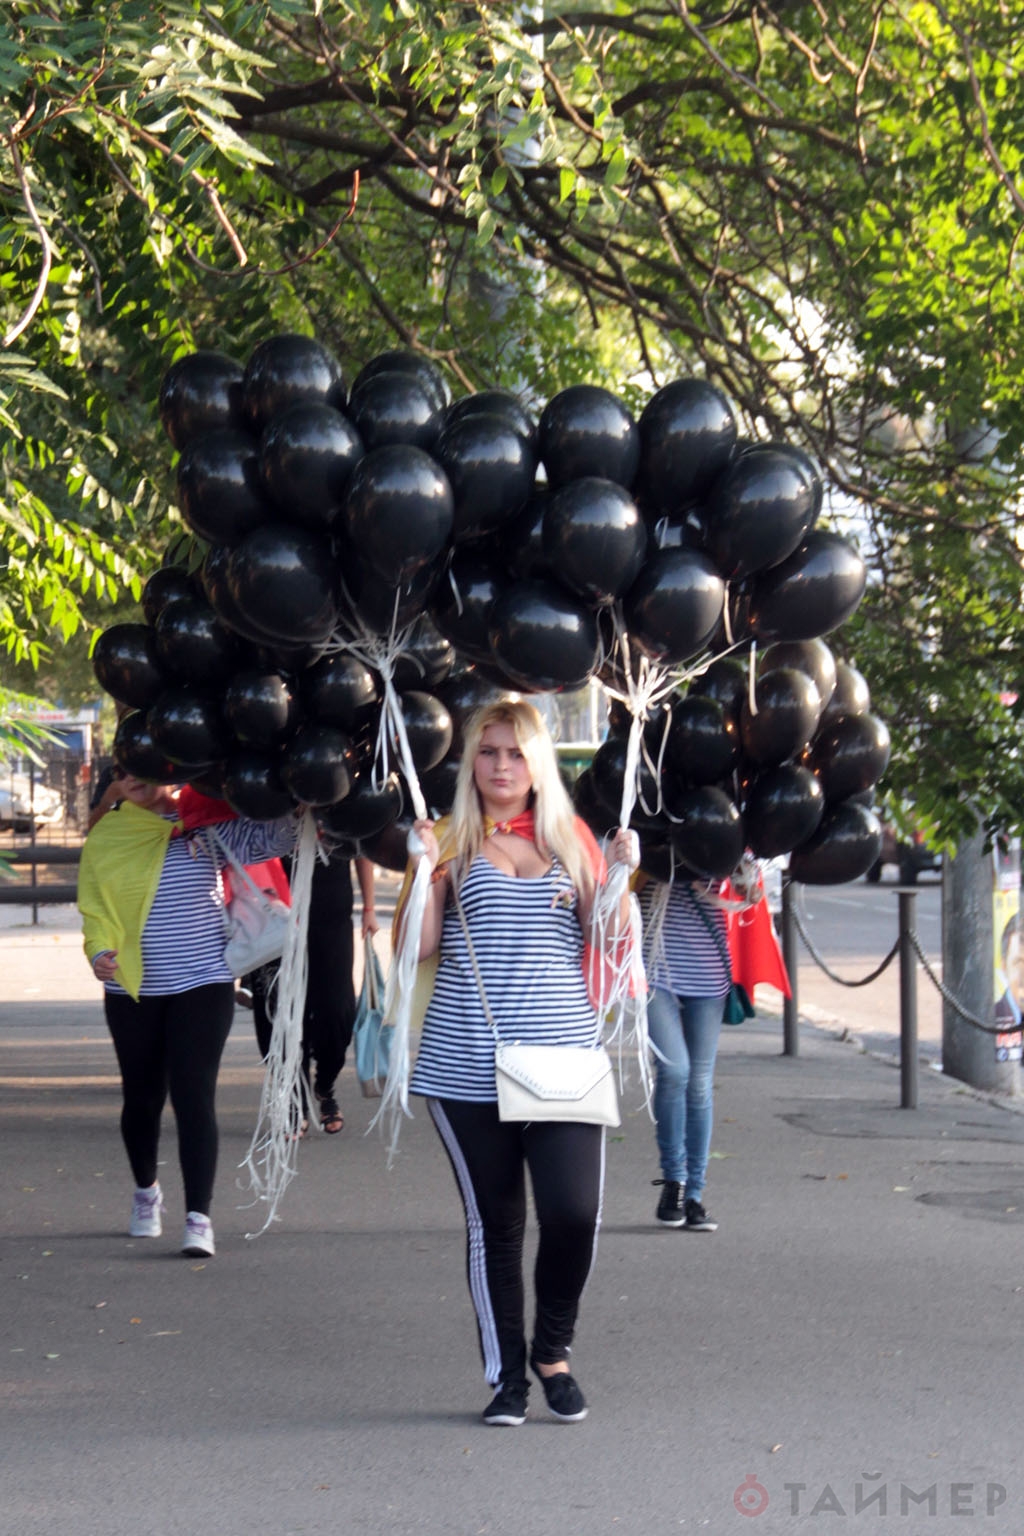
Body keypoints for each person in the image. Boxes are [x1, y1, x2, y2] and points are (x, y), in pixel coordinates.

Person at [396, 699, 635, 1428]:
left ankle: (552, 1351)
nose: (502, 766)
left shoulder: (571, 840)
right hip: (466, 1062)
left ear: (538, 765)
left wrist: (621, 878)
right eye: (489, 751)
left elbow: (608, 939)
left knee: (574, 1214)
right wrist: (419, 871)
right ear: (471, 761)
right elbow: (418, 947)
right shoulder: (448, 841)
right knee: (495, 1225)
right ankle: (508, 1378)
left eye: (516, 753)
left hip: (563, 1059)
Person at [77, 773, 296, 1256]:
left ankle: (199, 1217)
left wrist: (297, 797)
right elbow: (95, 906)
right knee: (142, 1098)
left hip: (205, 982)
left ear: (169, 769)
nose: (132, 779)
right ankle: (146, 1192)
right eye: (124, 769)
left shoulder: (204, 819)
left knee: (194, 1095)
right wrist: (98, 952)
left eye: (144, 767)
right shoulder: (109, 832)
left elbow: (274, 839)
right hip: (133, 987)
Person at [250, 844, 379, 1134]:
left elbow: (363, 847)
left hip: (331, 916)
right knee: (278, 1012)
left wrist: (369, 908)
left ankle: (325, 1084)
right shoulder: (267, 814)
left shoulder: (339, 813)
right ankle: (293, 1100)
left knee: (337, 1011)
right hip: (273, 915)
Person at [637, 874, 732, 1233]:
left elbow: (750, 893)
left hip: (709, 971)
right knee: (675, 1070)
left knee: (700, 1083)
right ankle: (673, 1182)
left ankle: (694, 1195)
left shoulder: (732, 842)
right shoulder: (650, 840)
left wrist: (745, 883)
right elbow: (621, 884)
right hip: (654, 966)